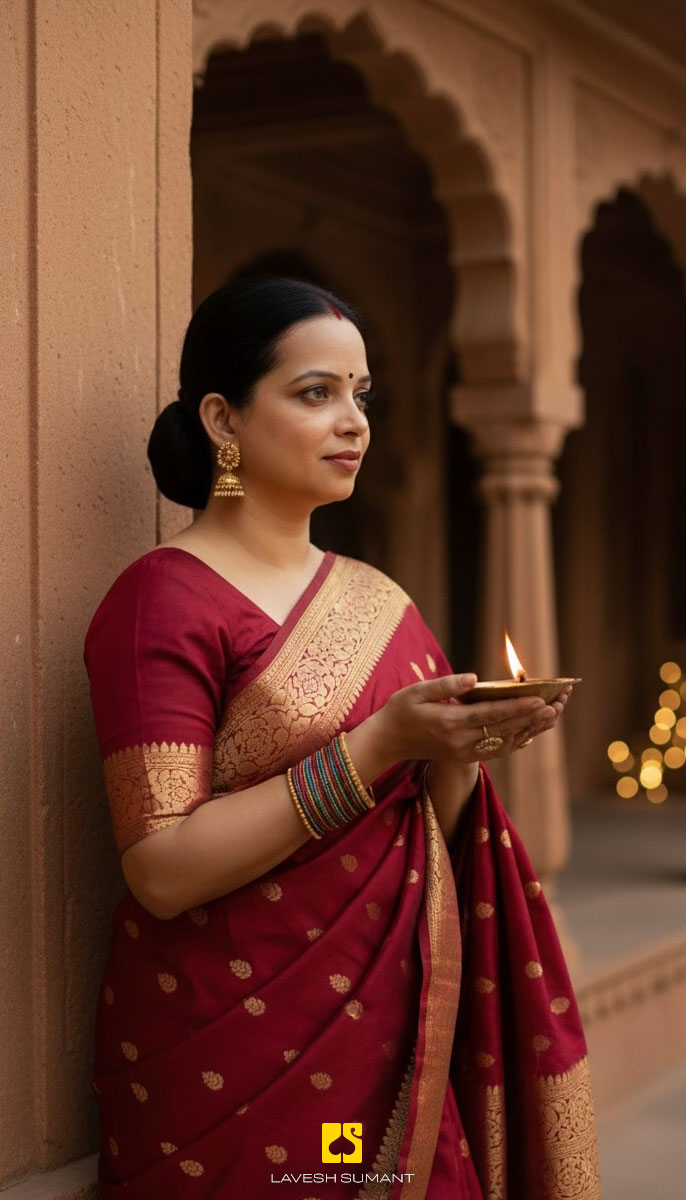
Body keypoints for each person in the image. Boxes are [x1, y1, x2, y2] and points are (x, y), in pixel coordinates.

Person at [83, 276, 602, 1199]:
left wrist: (461, 753)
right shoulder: (161, 600)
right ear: (222, 418)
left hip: (391, 1038)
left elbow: (433, 843)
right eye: (315, 393)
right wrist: (378, 745)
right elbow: (160, 869)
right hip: (229, 1057)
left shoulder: (379, 600)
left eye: (361, 395)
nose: (353, 422)